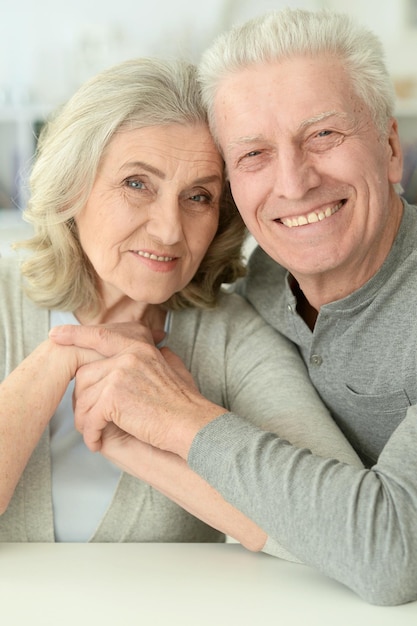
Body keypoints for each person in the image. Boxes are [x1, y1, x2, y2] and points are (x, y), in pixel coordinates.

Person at [51, 8, 417, 605]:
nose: (295, 184)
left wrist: (179, 419)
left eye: (323, 135)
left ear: (392, 147)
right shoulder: (262, 293)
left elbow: (391, 555)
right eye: (253, 155)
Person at [0, 56, 361, 545]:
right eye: (136, 184)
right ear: (73, 187)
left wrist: (174, 428)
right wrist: (60, 356)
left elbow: (348, 530)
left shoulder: (231, 336)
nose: (170, 230)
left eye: (198, 197)